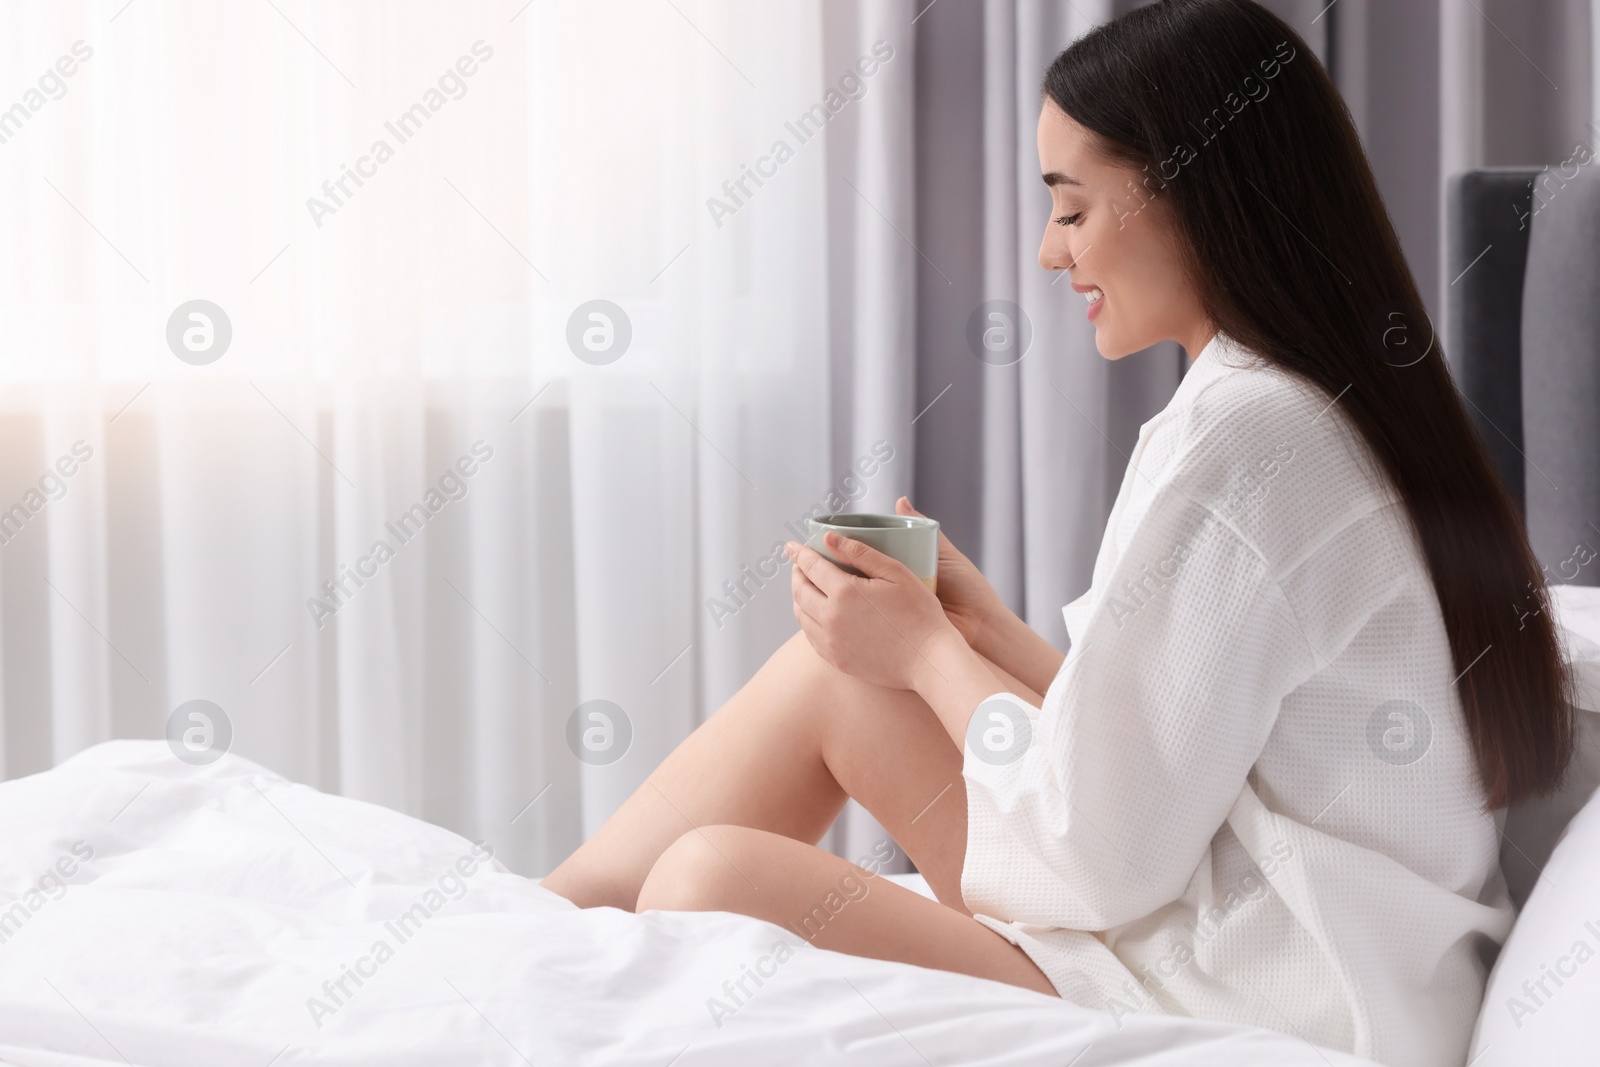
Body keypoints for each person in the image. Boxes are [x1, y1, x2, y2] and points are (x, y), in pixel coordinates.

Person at [543, 2, 1576, 1063]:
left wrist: (930, 651)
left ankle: (526, 934)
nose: (1047, 252)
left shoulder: (1249, 435)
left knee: (709, 878)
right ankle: (532, 922)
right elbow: (1161, 759)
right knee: (835, 683)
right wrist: (981, 632)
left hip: (1260, 993)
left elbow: (1099, 854)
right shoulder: (1319, 403)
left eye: (1072, 211)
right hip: (1243, 935)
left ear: (1195, 197)